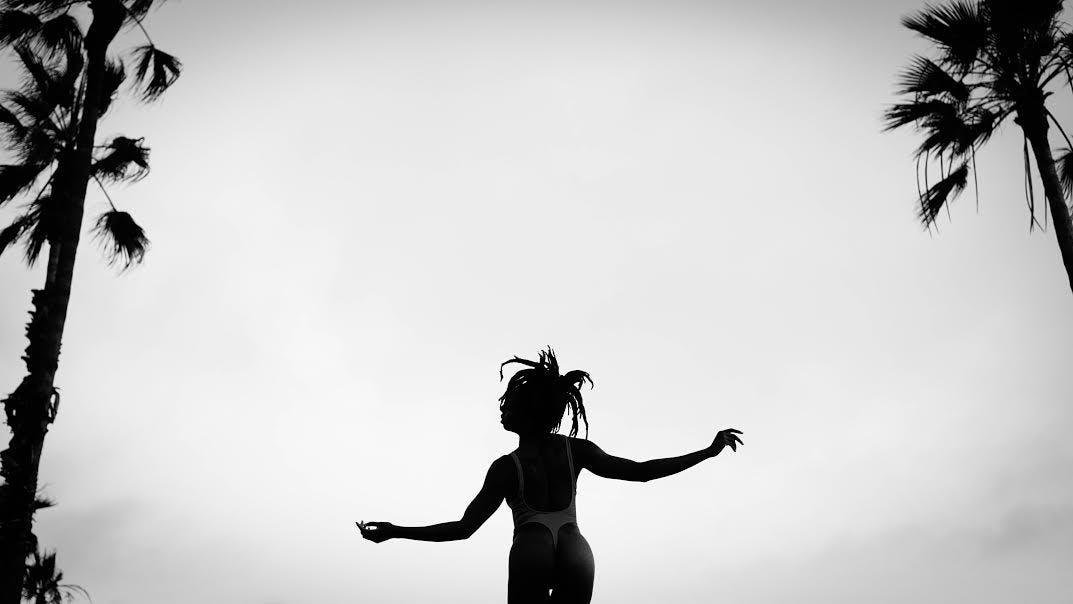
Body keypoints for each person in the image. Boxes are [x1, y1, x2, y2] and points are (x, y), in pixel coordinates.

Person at [358, 347, 743, 604]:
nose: (502, 411)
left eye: (508, 405)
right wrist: (708, 452)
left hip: (531, 548)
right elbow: (641, 473)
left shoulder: (506, 468)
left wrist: (397, 531)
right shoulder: (576, 451)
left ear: (526, 411)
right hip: (578, 551)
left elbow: (463, 528)